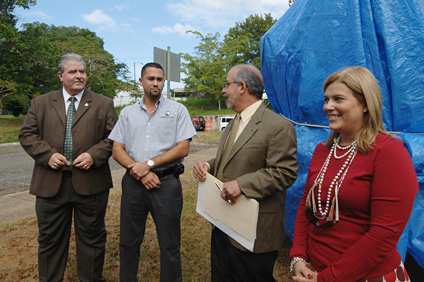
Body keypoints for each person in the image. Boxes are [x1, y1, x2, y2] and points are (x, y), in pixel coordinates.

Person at [290, 66, 418, 282]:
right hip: (319, 270)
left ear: (365, 104)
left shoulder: (389, 153)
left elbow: (383, 234)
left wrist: (328, 278)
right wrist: (299, 256)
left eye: (338, 99)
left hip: (368, 276)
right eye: (326, 99)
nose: (328, 106)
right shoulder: (323, 151)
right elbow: (307, 205)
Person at [193, 64, 298, 282]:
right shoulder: (233, 123)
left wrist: (242, 185)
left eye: (227, 84)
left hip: (253, 232)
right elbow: (231, 158)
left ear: (242, 87)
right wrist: (209, 166)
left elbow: (285, 172)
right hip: (223, 226)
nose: (223, 90)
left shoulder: (278, 126)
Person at [19, 53, 118, 281]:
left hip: (91, 184)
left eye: (82, 71)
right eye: (73, 72)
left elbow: (114, 137)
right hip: (50, 185)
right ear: (60, 75)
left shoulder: (103, 104)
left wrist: (94, 155)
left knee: (92, 239)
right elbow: (26, 134)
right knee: (50, 241)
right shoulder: (41, 103)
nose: (79, 76)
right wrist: (48, 155)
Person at [109, 62, 196, 282]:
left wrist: (148, 165)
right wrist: (139, 171)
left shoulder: (177, 110)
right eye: (150, 78)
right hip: (133, 184)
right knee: (128, 242)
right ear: (141, 81)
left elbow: (182, 148)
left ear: (163, 81)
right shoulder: (127, 113)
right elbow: (116, 149)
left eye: (159, 79)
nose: (155, 83)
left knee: (169, 243)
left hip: (166, 184)